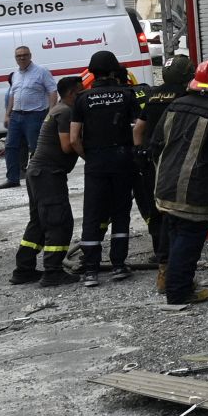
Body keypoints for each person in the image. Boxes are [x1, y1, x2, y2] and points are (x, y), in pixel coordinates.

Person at [151, 59, 208, 307]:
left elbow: (156, 143)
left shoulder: (175, 105)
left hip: (165, 184)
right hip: (192, 187)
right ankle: (179, 291)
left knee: (172, 231)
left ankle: (172, 281)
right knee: (189, 237)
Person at [69, 51, 141, 287]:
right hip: (122, 159)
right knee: (121, 211)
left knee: (93, 213)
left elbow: (73, 139)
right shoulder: (127, 95)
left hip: (96, 162)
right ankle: (119, 265)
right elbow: (138, 128)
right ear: (113, 71)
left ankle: (91, 270)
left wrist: (89, 157)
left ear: (92, 72)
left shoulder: (81, 99)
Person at [11, 76, 83, 287]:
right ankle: (52, 271)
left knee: (39, 222)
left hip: (39, 174)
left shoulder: (58, 109)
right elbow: (67, 146)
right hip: (48, 175)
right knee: (58, 222)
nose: (84, 95)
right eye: (81, 91)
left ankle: (23, 269)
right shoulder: (66, 112)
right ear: (72, 94)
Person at [132, 56, 195, 294]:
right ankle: (175, 263)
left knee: (155, 209)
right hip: (174, 162)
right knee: (177, 213)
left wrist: (140, 152)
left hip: (151, 161)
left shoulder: (153, 96)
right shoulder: (185, 96)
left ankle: (160, 256)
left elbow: (139, 128)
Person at [0, 46, 58, 189]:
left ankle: (42, 177)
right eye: (18, 56)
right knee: (11, 147)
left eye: (25, 55)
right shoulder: (15, 75)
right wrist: (7, 114)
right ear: (15, 58)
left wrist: (51, 112)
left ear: (30, 55)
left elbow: (52, 91)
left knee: (36, 147)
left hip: (35, 115)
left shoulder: (41, 71)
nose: (22, 58)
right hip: (16, 116)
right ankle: (12, 179)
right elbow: (13, 95)